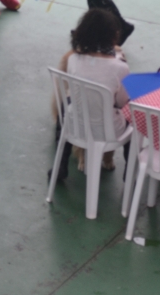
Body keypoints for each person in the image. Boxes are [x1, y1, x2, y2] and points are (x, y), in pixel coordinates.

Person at [51, 9, 131, 182]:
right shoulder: (121, 68)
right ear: (112, 36)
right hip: (108, 131)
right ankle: (130, 172)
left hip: (76, 126)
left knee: (66, 106)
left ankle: (60, 165)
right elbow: (122, 102)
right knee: (132, 115)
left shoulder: (72, 60)